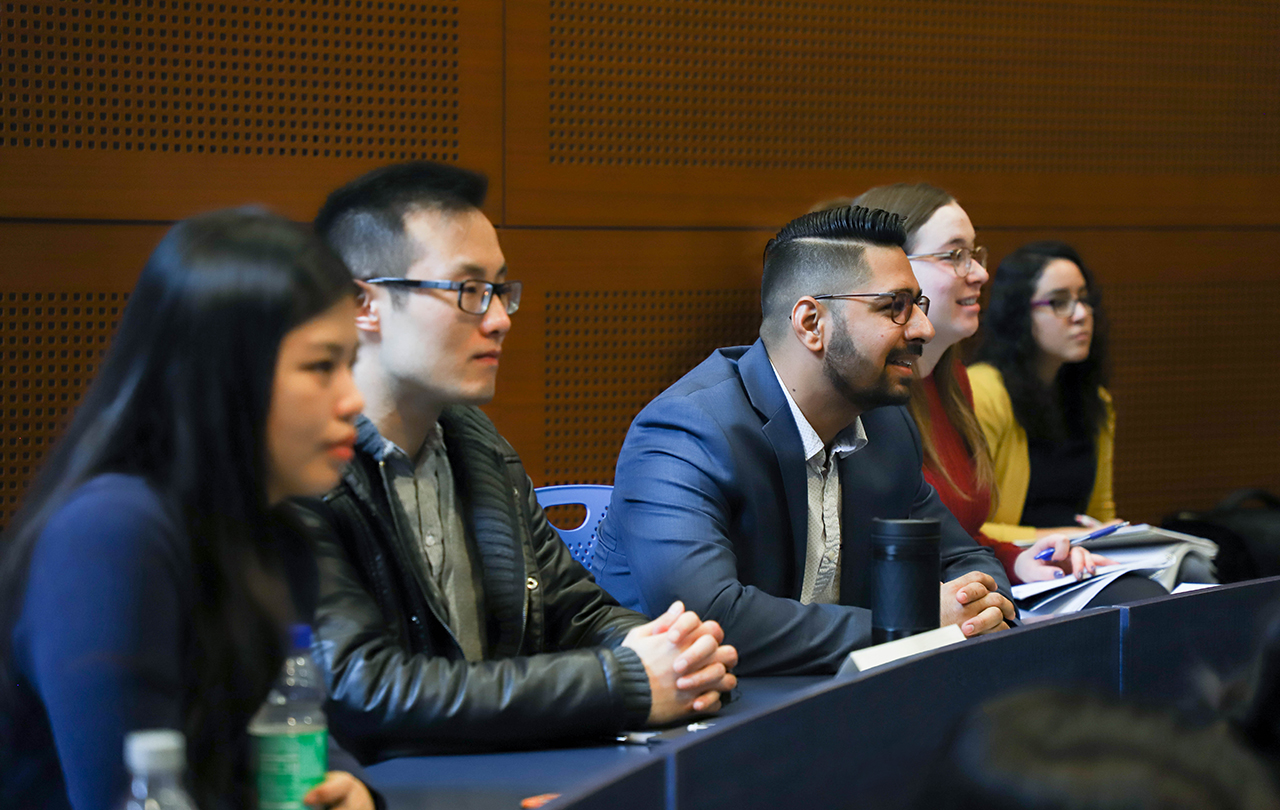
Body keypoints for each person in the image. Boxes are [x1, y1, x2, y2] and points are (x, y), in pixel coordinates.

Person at [302, 161, 738, 763]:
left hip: (492, 774)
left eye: (501, 289)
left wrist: (663, 650)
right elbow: (366, 691)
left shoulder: (473, 441)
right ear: (362, 304)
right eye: (468, 291)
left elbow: (572, 610)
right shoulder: (298, 466)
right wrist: (628, 681)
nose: (501, 318)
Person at [0, 210, 374, 810]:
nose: (354, 399)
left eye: (352, 364)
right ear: (224, 372)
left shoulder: (274, 533)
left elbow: (281, 723)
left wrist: (348, 786)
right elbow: (131, 797)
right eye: (321, 366)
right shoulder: (111, 534)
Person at [592, 205, 1015, 676]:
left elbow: (965, 556)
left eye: (917, 304)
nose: (923, 328)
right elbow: (711, 620)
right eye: (894, 306)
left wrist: (977, 607)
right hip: (690, 722)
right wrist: (911, 625)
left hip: (830, 705)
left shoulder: (887, 428)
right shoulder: (685, 432)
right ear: (811, 323)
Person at [844, 184, 1107, 584]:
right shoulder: (863, 399)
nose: (982, 273)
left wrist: (1018, 561)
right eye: (955, 256)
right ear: (894, 269)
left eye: (975, 254)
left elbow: (962, 538)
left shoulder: (954, 383)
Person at [968, 241, 1115, 542]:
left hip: (1081, 560)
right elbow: (968, 528)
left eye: (1084, 299)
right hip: (1013, 565)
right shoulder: (982, 392)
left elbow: (1100, 514)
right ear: (1020, 314)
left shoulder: (1095, 399)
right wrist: (1068, 536)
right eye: (1059, 302)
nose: (1080, 314)